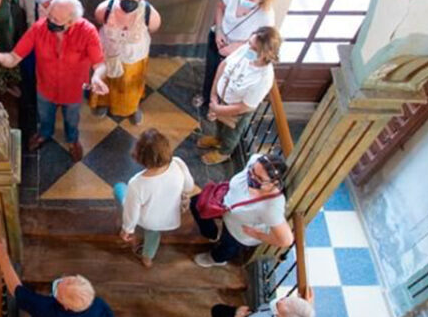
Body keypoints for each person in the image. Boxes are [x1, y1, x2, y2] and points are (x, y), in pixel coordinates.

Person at [0, 0, 108, 162]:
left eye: (56, 20)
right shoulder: (39, 28)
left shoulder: (87, 31)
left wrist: (97, 77)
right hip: (46, 87)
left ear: (71, 21)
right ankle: (44, 134)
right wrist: (0, 57)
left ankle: (72, 139)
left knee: (72, 118)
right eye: (50, 16)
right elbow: (14, 58)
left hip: (74, 89)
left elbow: (99, 64)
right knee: (45, 116)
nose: (50, 22)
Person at [198, 27, 281, 170]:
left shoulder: (264, 78)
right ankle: (218, 139)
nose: (248, 48)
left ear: (265, 53)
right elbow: (223, 66)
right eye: (249, 42)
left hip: (236, 111)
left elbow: (245, 106)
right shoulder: (246, 50)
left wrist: (219, 109)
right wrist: (213, 95)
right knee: (219, 124)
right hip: (221, 98)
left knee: (231, 133)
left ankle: (224, 152)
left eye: (254, 48)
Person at [190, 153, 293, 268]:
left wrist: (257, 234)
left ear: (274, 183)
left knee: (227, 246)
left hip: (238, 232)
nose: (252, 177)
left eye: (259, 178)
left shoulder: (271, 207)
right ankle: (211, 234)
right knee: (196, 203)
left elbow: (286, 240)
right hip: (224, 207)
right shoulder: (255, 161)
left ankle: (216, 258)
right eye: (252, 170)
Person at [113, 129, 193, 268]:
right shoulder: (178, 163)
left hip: (148, 220)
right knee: (153, 235)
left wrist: (128, 229)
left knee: (119, 188)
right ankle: (147, 259)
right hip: (170, 216)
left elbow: (132, 213)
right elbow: (189, 186)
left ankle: (122, 224)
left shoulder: (136, 183)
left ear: (140, 158)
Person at [198, 0, 276, 112]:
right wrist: (219, 32)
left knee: (227, 75)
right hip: (219, 37)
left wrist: (235, 48)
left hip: (239, 47)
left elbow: (258, 40)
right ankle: (206, 98)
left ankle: (217, 107)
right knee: (211, 70)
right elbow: (220, 7)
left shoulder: (266, 16)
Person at [90, 0, 161, 123]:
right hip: (108, 54)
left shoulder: (148, 11)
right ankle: (103, 103)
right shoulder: (106, 7)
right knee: (106, 80)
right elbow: (99, 20)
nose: (130, 0)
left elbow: (154, 28)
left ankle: (131, 108)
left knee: (130, 85)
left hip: (134, 58)